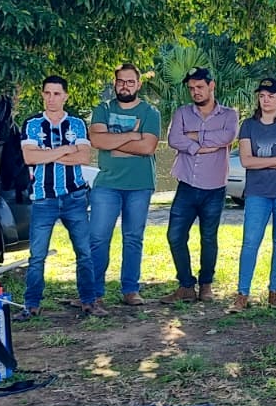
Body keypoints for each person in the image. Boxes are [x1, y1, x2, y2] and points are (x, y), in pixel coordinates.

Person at [20, 75, 102, 319]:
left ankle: (89, 301)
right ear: (42, 95)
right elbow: (29, 158)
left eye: (57, 94)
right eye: (47, 93)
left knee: (84, 252)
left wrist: (46, 154)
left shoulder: (77, 124)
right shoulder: (32, 124)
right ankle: (31, 305)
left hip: (74, 196)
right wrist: (66, 149)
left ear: (65, 96)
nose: (51, 98)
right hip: (43, 198)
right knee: (37, 256)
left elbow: (84, 157)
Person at [161, 67, 238, 304]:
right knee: (175, 236)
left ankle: (206, 285)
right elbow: (174, 139)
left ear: (211, 86)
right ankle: (186, 285)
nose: (195, 91)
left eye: (200, 87)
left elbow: (227, 137)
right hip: (186, 184)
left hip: (214, 188)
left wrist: (194, 135)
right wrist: (199, 147)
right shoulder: (182, 112)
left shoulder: (229, 115)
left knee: (208, 238)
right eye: (191, 88)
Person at [88, 63, 162, 306]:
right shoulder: (103, 109)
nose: (125, 86)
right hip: (107, 184)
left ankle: (130, 289)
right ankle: (94, 292)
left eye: (130, 82)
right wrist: (132, 135)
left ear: (138, 84)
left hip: (140, 184)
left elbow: (147, 147)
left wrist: (113, 141)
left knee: (133, 238)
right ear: (115, 83)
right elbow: (97, 140)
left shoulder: (150, 112)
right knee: (98, 238)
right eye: (121, 81)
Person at [231, 79, 276, 312]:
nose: (266, 100)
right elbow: (246, 161)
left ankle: (274, 292)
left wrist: (263, 162)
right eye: (262, 96)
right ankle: (242, 294)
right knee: (250, 242)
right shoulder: (248, 125)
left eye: (271, 96)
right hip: (257, 192)